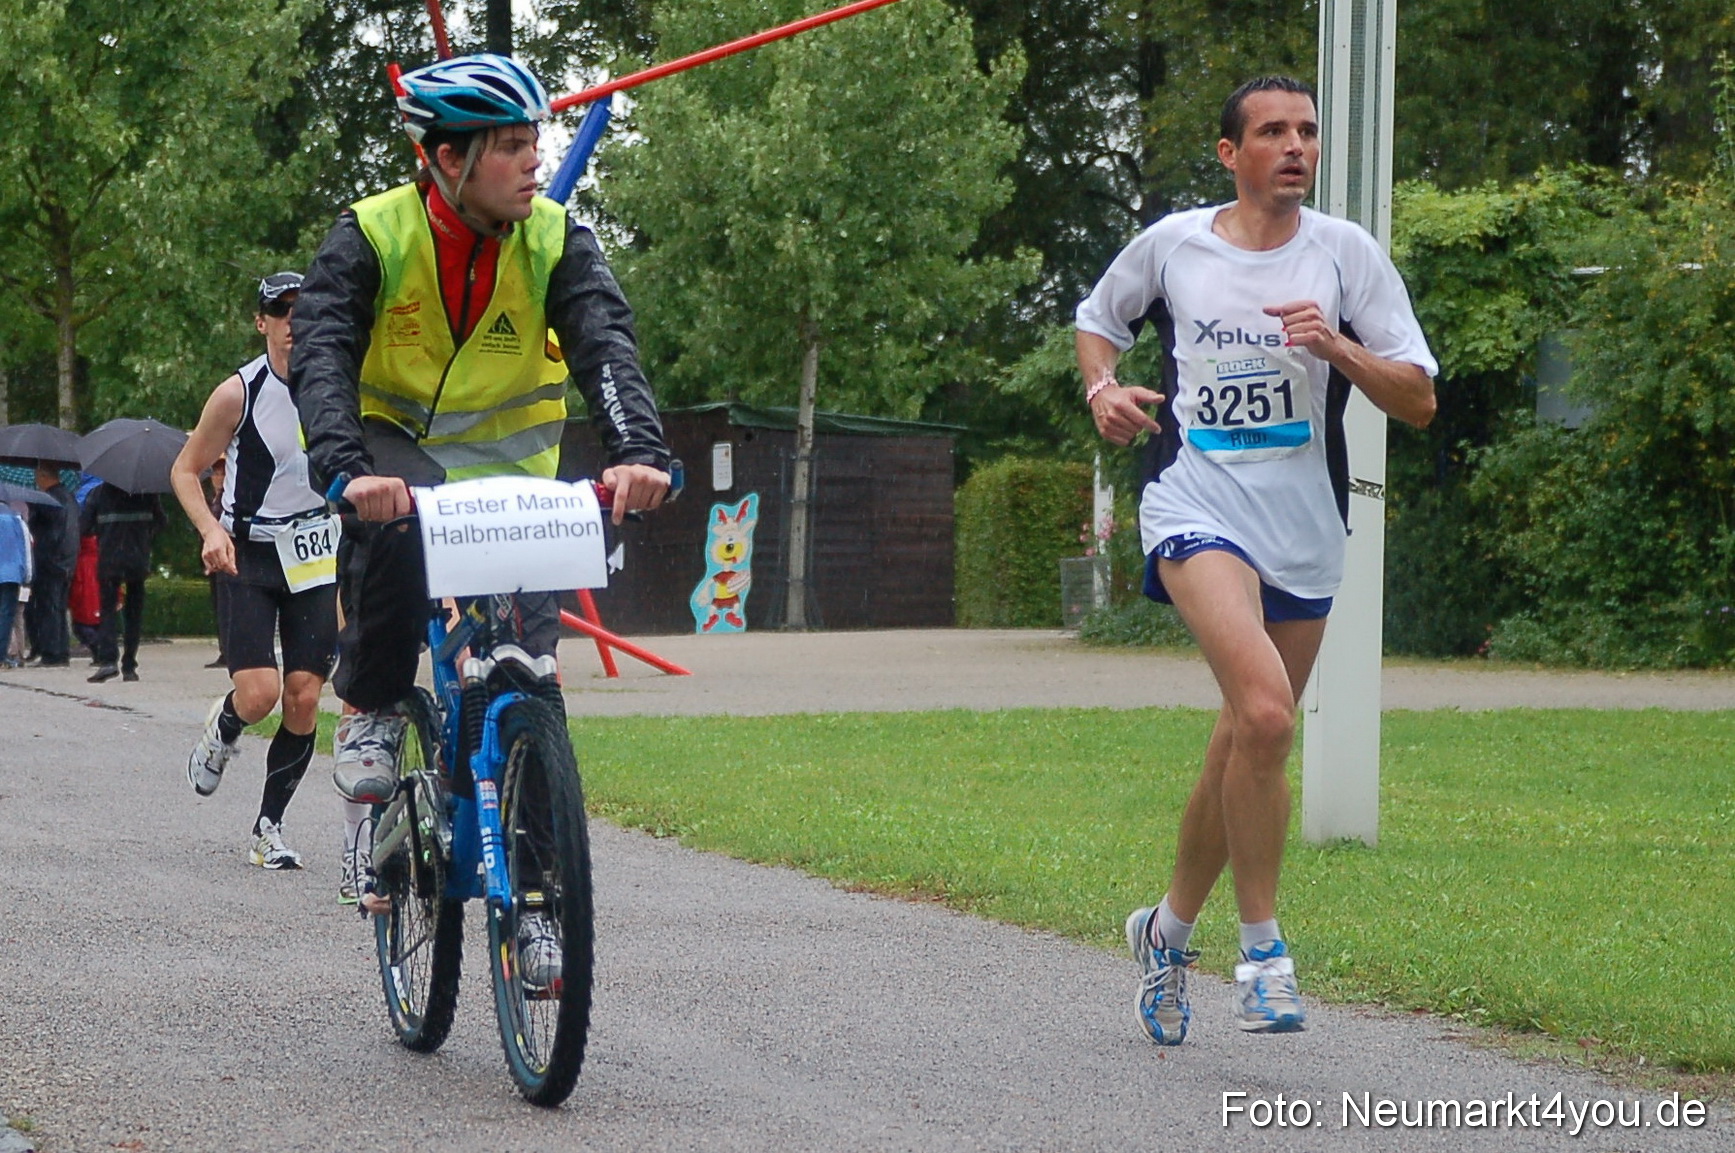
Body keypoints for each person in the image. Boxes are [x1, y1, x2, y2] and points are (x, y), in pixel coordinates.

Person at [1075, 76, 1437, 1043]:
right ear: (1228, 153)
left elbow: (1418, 398)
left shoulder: (1345, 255)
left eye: (1307, 133)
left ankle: (1164, 930)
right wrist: (1101, 387)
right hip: (1193, 502)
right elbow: (1096, 320)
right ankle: (1264, 951)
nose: (1294, 147)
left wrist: (1340, 350)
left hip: (1306, 527)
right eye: (1272, 132)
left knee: (1247, 734)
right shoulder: (1174, 245)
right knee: (1270, 710)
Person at [291, 53, 670, 970]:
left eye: (536, 142)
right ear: (447, 160)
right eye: (510, 146)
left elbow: (605, 344)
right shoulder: (373, 235)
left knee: (531, 683)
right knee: (392, 523)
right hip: (392, 456)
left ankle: (537, 903)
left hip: (510, 494)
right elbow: (323, 350)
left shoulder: (554, 239)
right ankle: (374, 703)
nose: (534, 161)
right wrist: (343, 467)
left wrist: (638, 453)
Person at [170, 271, 354, 887]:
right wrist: (211, 531)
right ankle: (224, 727)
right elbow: (186, 470)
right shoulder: (238, 393)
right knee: (260, 696)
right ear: (263, 322)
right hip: (247, 552)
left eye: (304, 311)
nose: (294, 324)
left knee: (304, 695)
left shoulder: (340, 385)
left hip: (313, 551)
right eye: (282, 313)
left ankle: (268, 827)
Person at [81, 481, 167, 682]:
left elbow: (83, 527)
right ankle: (129, 665)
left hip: (109, 559)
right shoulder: (147, 493)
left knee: (108, 611)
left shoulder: (97, 494)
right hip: (138, 559)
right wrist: (143, 535)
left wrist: (104, 531)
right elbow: (162, 521)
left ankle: (108, 661)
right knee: (134, 614)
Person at [24, 463, 78, 667]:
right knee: (58, 607)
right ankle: (60, 650)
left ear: (43, 477)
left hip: (50, 560)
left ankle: (52, 652)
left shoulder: (47, 500)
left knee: (49, 607)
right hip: (66, 559)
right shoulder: (69, 497)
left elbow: (42, 530)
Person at [0, 502, 30, 668]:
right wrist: (28, 576)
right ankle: (1, 655)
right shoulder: (16, 519)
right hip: (11, 573)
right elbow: (24, 549)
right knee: (6, 616)